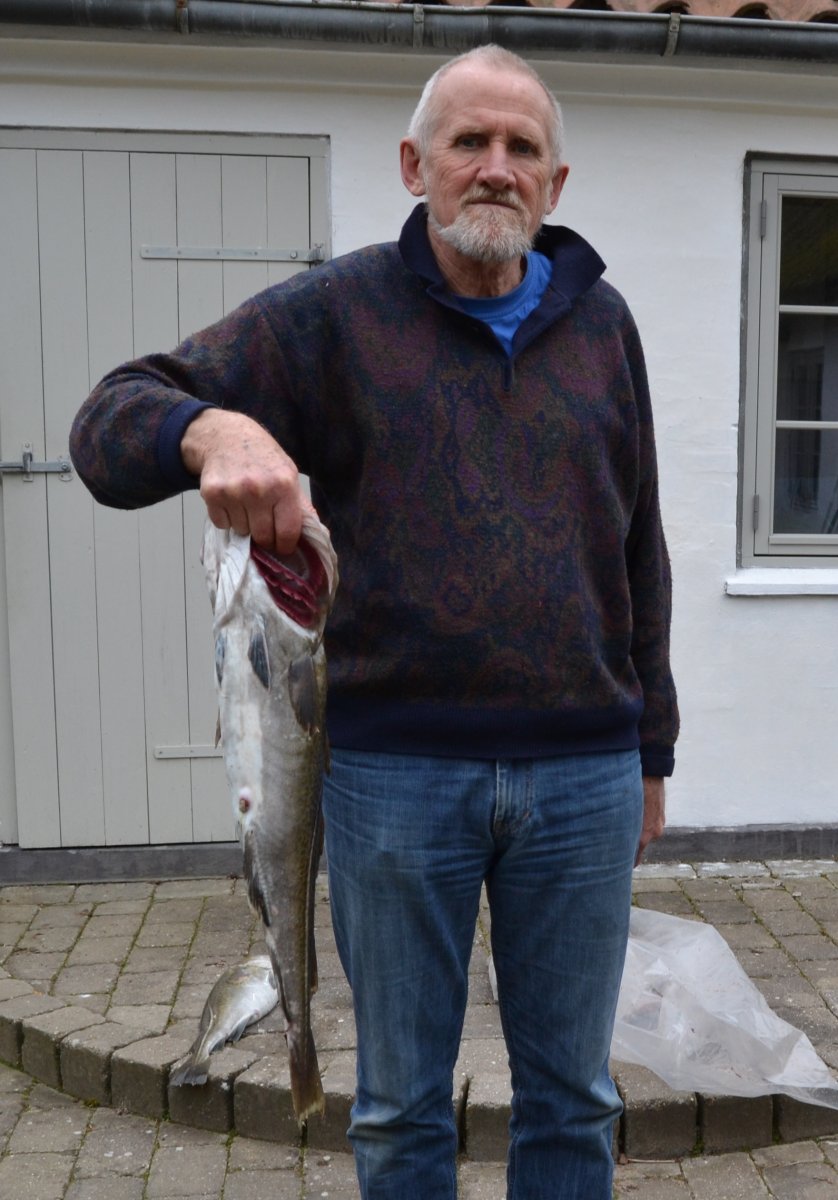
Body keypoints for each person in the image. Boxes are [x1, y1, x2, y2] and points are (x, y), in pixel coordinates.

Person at [70, 45, 679, 1200]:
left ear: (553, 183)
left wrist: (652, 749)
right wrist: (212, 432)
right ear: (414, 165)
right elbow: (109, 422)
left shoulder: (604, 326)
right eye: (468, 142)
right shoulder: (333, 316)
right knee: (399, 1110)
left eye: (521, 148)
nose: (494, 167)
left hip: (582, 776)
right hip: (394, 780)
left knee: (576, 1101)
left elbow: (636, 541)